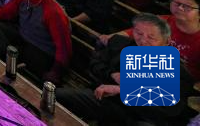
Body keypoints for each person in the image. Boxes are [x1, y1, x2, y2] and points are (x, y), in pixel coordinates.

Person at [55, 14, 190, 123]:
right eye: (139, 33)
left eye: (151, 37)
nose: (143, 41)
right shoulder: (121, 44)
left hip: (140, 117)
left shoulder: (178, 71)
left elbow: (170, 108)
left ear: (166, 42)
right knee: (54, 95)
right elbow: (95, 63)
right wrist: (112, 74)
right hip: (104, 100)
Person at [100, 0, 200, 79]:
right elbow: (132, 32)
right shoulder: (162, 21)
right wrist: (112, 37)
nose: (180, 8)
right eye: (177, 3)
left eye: (187, 6)